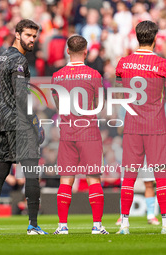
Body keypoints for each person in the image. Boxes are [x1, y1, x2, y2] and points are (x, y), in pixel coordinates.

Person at [0, 19, 47, 235]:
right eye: (28, 35)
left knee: (0, 173)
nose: (32, 40)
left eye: (34, 36)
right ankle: (33, 225)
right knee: (30, 172)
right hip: (17, 123)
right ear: (17, 34)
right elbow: (21, 96)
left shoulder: (2, 56)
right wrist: (34, 122)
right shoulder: (19, 60)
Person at [51, 35, 109, 235]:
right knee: (93, 178)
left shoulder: (57, 76)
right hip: (89, 132)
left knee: (66, 180)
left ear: (67, 51)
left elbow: (58, 104)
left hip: (67, 131)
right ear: (86, 51)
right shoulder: (94, 74)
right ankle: (97, 226)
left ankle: (62, 226)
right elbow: (98, 104)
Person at [115, 20, 166, 235]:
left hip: (133, 123)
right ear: (155, 38)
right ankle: (164, 224)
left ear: (137, 37)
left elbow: (120, 82)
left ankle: (125, 224)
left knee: (129, 175)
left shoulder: (124, 62)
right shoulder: (162, 64)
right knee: (161, 174)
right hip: (155, 124)